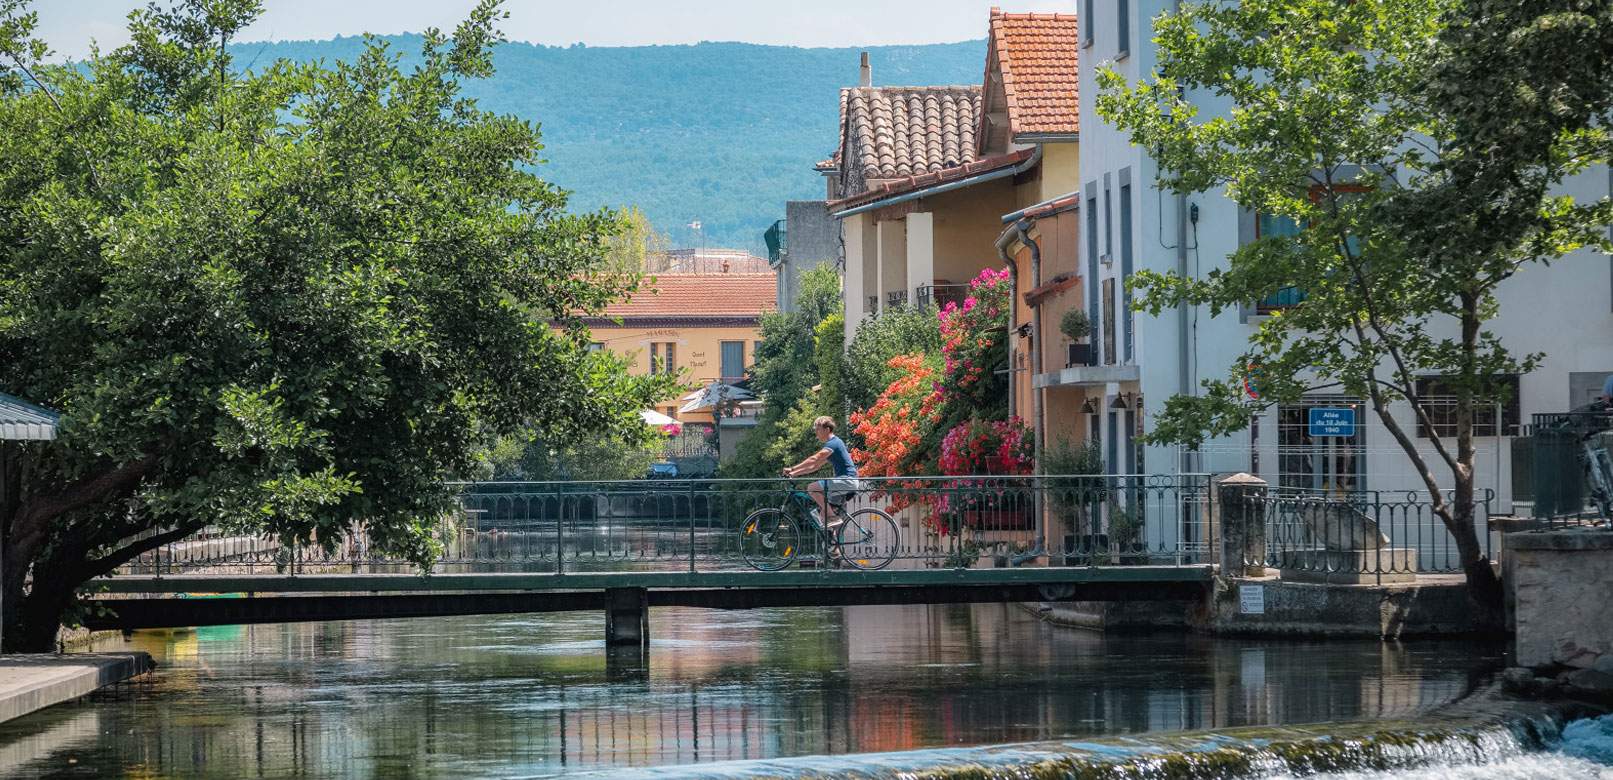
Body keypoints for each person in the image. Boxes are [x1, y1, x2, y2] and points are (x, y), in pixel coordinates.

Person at [783, 416, 859, 529]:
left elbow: (814, 459)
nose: (815, 432)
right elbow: (815, 466)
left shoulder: (833, 443)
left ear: (827, 429)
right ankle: (834, 543)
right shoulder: (832, 445)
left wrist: (792, 468)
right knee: (823, 515)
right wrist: (795, 473)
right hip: (844, 482)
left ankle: (834, 518)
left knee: (812, 488)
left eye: (817, 429)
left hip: (847, 480)